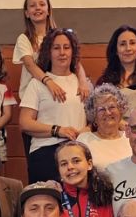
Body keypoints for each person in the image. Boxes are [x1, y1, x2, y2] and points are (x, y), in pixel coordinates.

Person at [19, 29, 86, 182]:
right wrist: (58, 130)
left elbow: (93, 121)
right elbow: (25, 123)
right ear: (48, 52)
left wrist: (86, 130)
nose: (62, 52)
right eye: (56, 48)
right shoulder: (37, 84)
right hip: (46, 153)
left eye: (66, 47)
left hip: (77, 153)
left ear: (73, 51)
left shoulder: (83, 85)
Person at [12, 0, 92, 105]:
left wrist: (83, 82)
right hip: (36, 92)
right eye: (32, 6)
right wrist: (49, 82)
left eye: (42, 4)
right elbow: (30, 65)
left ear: (48, 10)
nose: (38, 8)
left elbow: (76, 62)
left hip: (58, 89)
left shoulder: (58, 36)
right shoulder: (24, 38)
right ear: (27, 13)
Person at [55, 140, 117, 217]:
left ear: (89, 164)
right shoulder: (54, 198)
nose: (70, 167)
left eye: (76, 161)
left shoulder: (102, 197)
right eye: (63, 164)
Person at [76, 83, 132, 169]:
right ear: (94, 116)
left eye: (112, 107)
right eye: (101, 109)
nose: (108, 113)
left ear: (120, 110)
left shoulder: (130, 138)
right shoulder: (84, 140)